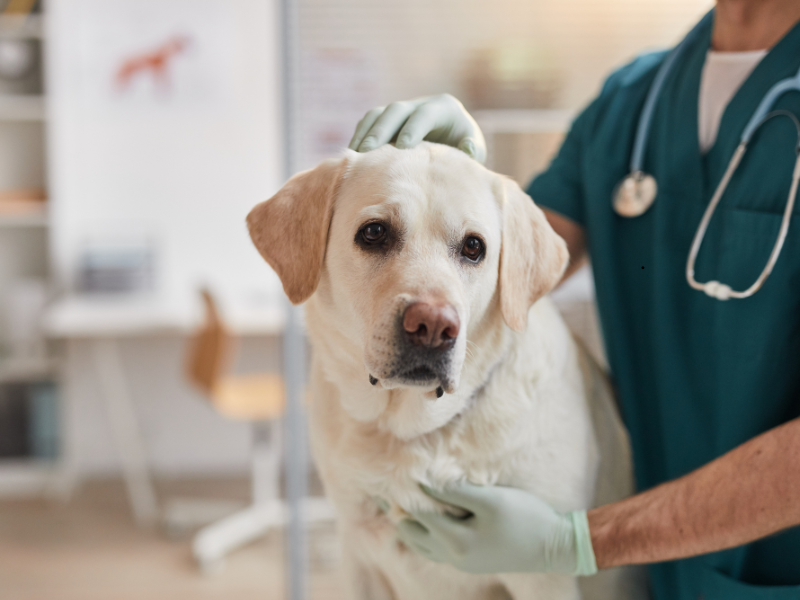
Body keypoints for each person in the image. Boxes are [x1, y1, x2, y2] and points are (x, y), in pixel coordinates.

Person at [346, 1, 800, 598]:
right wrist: (458, 186)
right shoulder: (631, 102)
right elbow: (508, 265)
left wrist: (576, 541)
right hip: (659, 574)